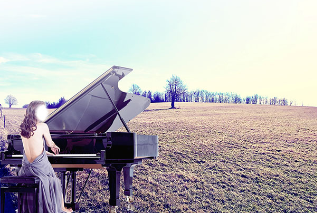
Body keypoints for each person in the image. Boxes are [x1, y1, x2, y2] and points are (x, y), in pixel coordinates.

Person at [18, 100, 73, 213]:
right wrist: (54, 147)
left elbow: (34, 148)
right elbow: (49, 143)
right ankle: (61, 208)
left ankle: (32, 208)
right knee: (55, 181)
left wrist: (47, 153)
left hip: (26, 168)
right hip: (38, 167)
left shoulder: (23, 129)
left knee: (50, 178)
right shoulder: (43, 126)